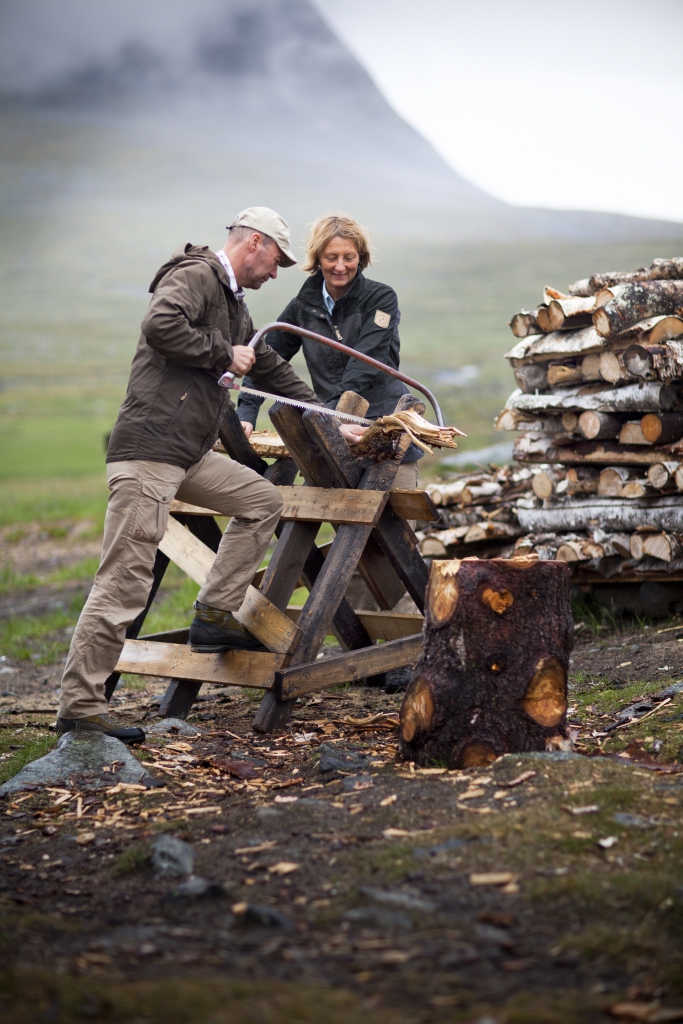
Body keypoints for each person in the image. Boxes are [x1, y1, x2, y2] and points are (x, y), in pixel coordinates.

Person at [56, 207, 351, 744]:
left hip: (186, 454)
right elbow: (160, 324)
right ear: (254, 243)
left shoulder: (235, 305)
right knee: (123, 580)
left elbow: (269, 368)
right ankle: (80, 706)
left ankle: (214, 613)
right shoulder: (196, 276)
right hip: (149, 451)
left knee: (261, 501)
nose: (277, 273)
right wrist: (222, 352)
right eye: (277, 260)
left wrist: (334, 421)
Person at [237, 214, 421, 489]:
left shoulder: (381, 299)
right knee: (330, 517)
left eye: (349, 257)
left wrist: (327, 417)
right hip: (330, 433)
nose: (340, 266)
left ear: (361, 257)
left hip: (385, 434)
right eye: (331, 257)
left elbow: (365, 365)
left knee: (394, 524)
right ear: (317, 257)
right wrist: (247, 412)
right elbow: (266, 356)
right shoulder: (304, 304)